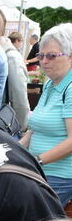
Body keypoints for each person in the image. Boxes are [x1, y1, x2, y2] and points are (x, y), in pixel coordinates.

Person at [19, 23, 72, 207]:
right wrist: (14, 151)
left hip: (59, 176)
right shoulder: (50, 84)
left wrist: (37, 161)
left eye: (51, 56)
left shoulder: (70, 87)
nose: (44, 61)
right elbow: (34, 129)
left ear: (70, 57)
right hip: (40, 171)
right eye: (41, 56)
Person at [0, 29, 29, 132]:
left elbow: (20, 100)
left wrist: (20, 130)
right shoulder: (9, 55)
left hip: (2, 123)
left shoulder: (12, 57)